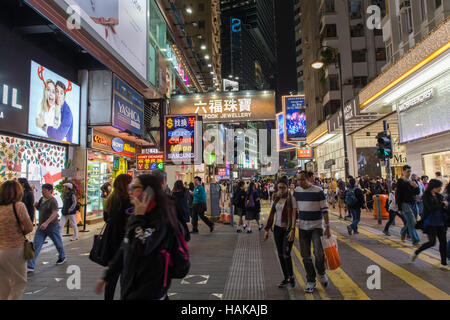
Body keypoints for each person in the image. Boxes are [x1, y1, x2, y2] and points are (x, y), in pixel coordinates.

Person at [95, 174, 188, 300]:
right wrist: (108, 275)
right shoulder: (138, 214)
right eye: (131, 187)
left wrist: (138, 218)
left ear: (149, 192)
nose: (130, 191)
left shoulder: (160, 219)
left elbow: (141, 247)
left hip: (150, 289)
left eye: (136, 187)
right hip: (132, 286)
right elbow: (126, 246)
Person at [293, 171, 330, 294]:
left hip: (317, 227)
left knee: (319, 253)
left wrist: (328, 227)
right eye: (298, 180)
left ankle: (321, 272)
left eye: (302, 179)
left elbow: (325, 210)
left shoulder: (318, 191)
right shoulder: (297, 191)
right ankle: (311, 280)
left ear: (309, 178)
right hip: (303, 227)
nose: (300, 182)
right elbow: (294, 210)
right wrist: (293, 228)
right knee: (305, 256)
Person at [101, 174, 133, 300]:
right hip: (123, 242)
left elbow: (106, 219)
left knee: (112, 277)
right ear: (125, 185)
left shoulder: (111, 199)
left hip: (110, 241)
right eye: (130, 183)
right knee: (125, 277)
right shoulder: (128, 200)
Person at [0, 180, 34, 300]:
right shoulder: (18, 206)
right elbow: (29, 227)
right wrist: (19, 233)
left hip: (1, 249)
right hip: (15, 249)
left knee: (3, 285)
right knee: (19, 282)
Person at [264, 178, 297, 288]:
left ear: (287, 187)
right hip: (277, 229)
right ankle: (286, 277)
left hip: (287, 229)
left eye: (283, 187)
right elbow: (272, 213)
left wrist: (292, 230)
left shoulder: (291, 199)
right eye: (280, 188)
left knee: (286, 254)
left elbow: (293, 215)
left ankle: (291, 276)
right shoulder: (276, 198)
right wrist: (267, 229)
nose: (281, 190)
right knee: (280, 255)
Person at [411, 179, 449, 270]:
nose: (440, 188)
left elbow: (442, 208)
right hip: (430, 222)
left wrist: (444, 207)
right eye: (439, 187)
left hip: (440, 222)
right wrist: (443, 204)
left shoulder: (439, 196)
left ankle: (443, 263)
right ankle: (417, 252)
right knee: (432, 242)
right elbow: (431, 208)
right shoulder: (426, 196)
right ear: (433, 187)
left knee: (443, 242)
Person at [27, 183, 66, 272]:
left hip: (52, 226)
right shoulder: (42, 199)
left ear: (49, 190)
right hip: (41, 227)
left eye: (44, 190)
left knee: (57, 243)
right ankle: (30, 265)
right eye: (42, 190)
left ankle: (62, 257)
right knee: (36, 245)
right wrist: (36, 206)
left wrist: (46, 223)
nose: (42, 192)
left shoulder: (53, 201)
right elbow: (40, 209)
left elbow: (54, 213)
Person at [397, 165, 421, 247]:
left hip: (414, 203)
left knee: (411, 222)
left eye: (410, 171)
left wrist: (416, 186)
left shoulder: (413, 180)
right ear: (403, 171)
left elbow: (417, 192)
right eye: (407, 171)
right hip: (405, 204)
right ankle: (416, 241)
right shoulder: (400, 181)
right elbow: (399, 194)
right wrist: (399, 207)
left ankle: (403, 232)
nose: (409, 173)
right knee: (412, 222)